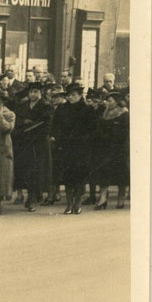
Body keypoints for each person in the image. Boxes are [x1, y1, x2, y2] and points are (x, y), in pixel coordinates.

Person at [51, 82, 97, 215]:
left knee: (80, 175)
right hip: (65, 146)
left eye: (73, 95)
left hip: (81, 147)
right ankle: (69, 204)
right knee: (67, 175)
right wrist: (54, 136)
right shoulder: (62, 109)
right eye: (69, 95)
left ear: (80, 95)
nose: (71, 98)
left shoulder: (87, 109)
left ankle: (78, 203)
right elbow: (55, 125)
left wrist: (86, 139)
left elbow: (93, 128)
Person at [11, 82, 53, 211]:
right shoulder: (23, 105)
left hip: (38, 142)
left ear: (41, 93)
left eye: (35, 92)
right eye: (31, 92)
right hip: (24, 142)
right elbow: (17, 121)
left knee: (37, 169)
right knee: (25, 169)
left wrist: (34, 130)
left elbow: (48, 125)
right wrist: (23, 123)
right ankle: (31, 194)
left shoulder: (46, 106)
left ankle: (33, 197)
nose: (33, 94)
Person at [91, 90, 129, 209]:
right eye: (107, 100)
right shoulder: (105, 112)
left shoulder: (124, 113)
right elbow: (99, 126)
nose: (108, 102)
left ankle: (121, 198)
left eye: (110, 100)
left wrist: (112, 137)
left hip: (119, 147)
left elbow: (124, 131)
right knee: (104, 171)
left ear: (117, 101)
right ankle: (103, 199)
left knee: (120, 173)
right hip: (105, 146)